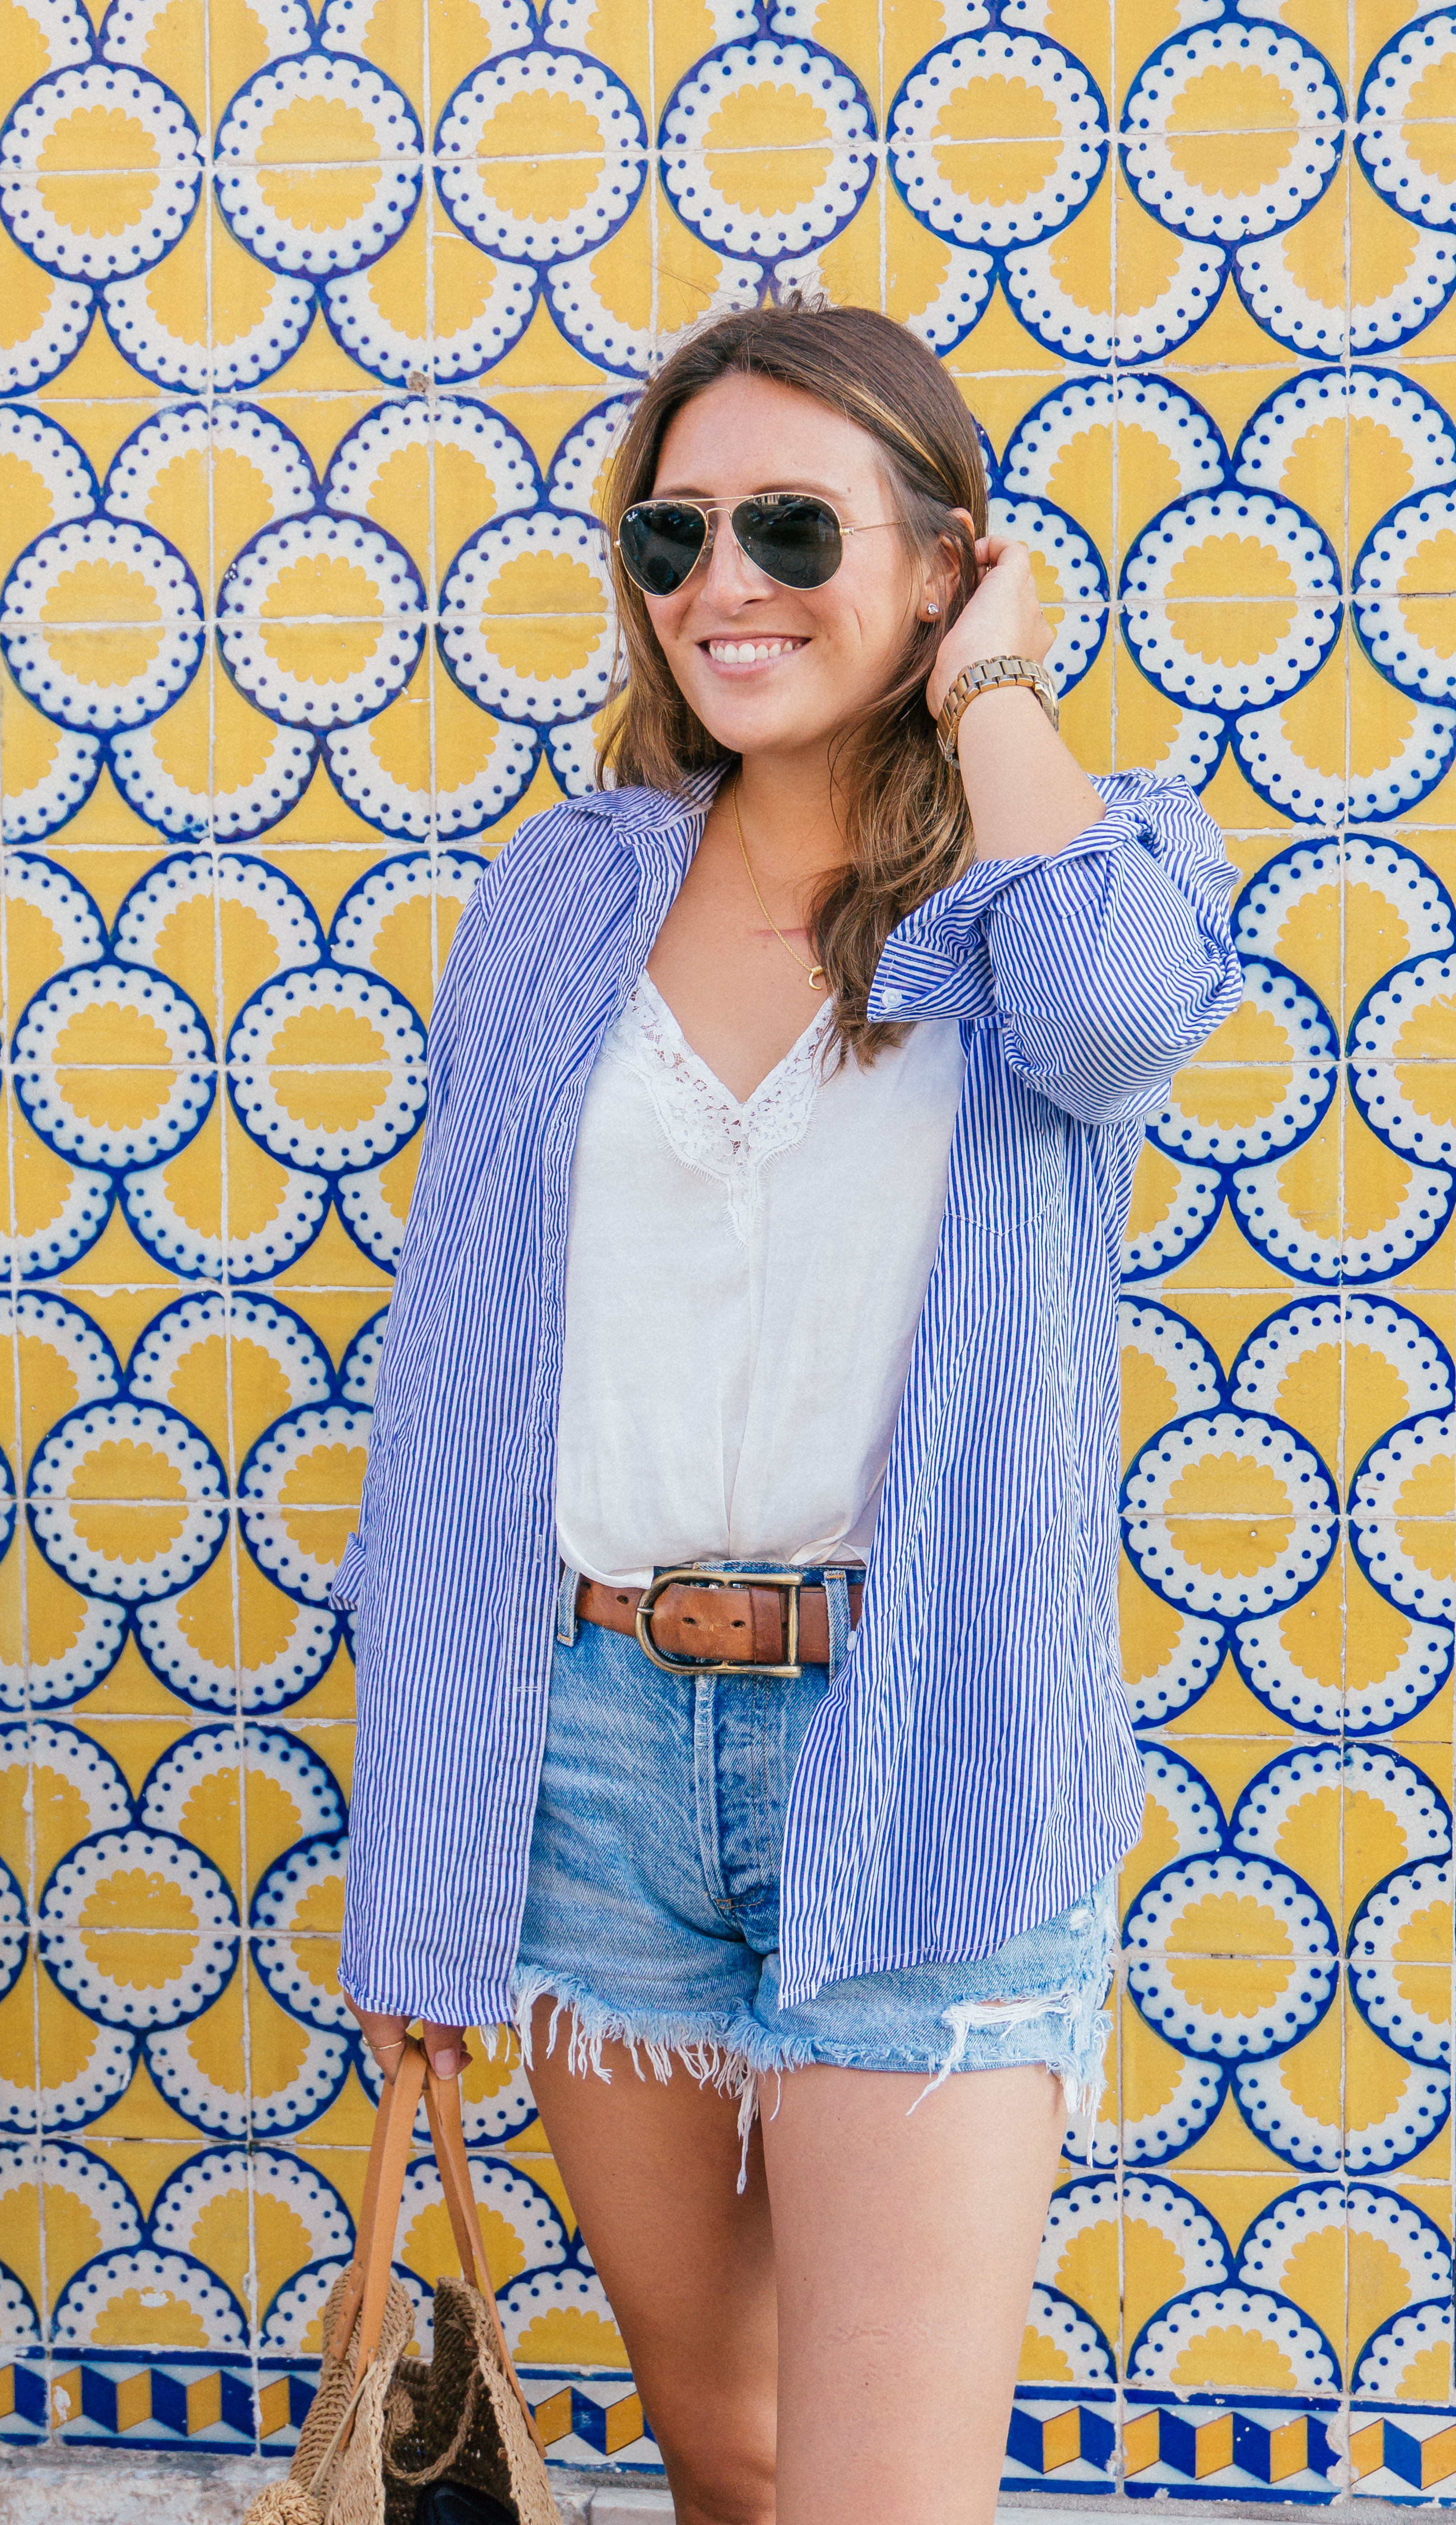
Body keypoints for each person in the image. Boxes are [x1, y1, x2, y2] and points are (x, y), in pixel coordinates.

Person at [334, 297, 1241, 2525]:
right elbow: (452, 1392)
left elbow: (1123, 1021)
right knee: (728, 2459)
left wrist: (1001, 680)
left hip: (921, 1734)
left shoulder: (1070, 885)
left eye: (787, 523)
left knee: (878, 2501)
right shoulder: (560, 894)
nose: (719, 580)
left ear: (942, 556)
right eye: (670, 531)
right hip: (594, 1750)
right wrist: (419, 1870)